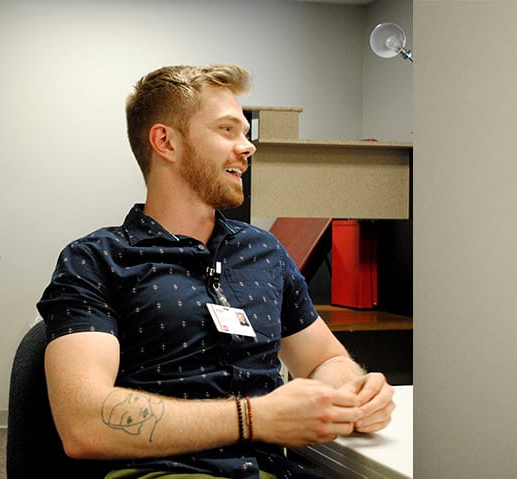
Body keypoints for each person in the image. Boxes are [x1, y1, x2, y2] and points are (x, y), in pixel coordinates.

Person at [37, 64, 395, 479]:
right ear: (165, 141)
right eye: (227, 130)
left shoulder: (263, 251)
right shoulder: (97, 260)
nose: (247, 147)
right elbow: (84, 423)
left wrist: (354, 391)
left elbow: (324, 360)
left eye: (245, 132)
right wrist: (254, 417)